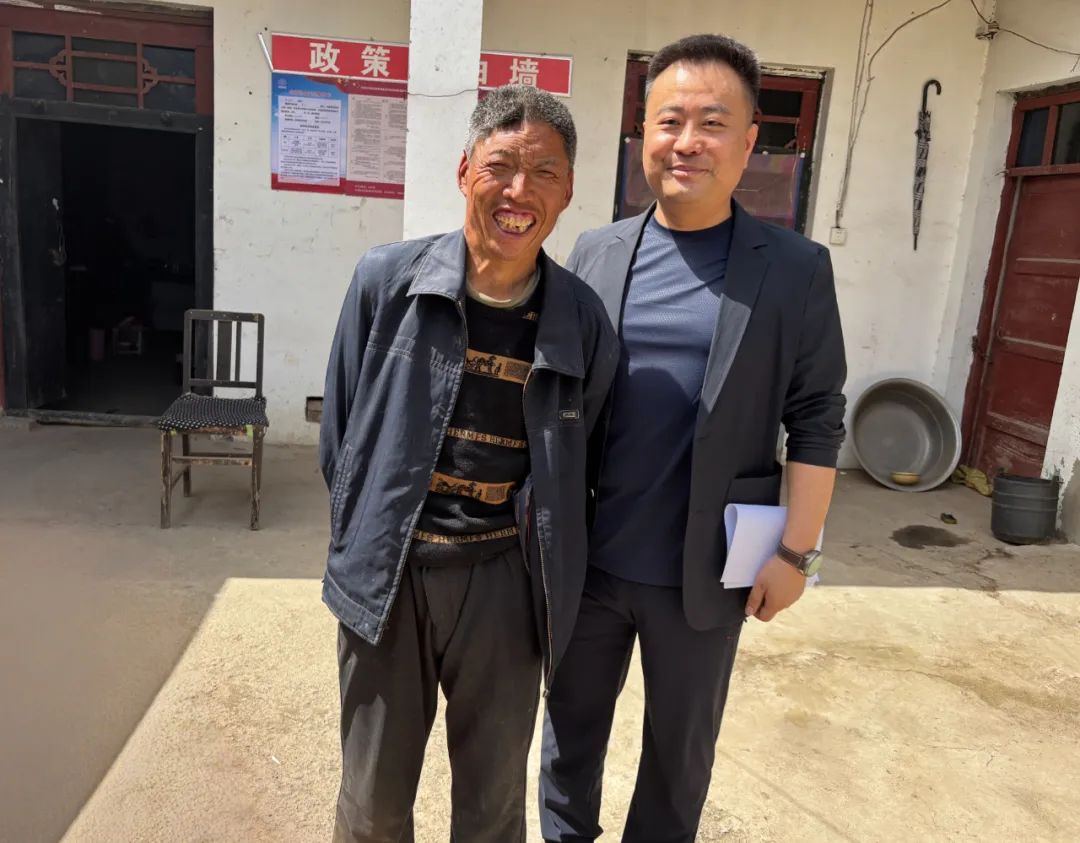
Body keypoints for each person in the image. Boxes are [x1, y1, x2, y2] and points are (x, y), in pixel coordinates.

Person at [539, 34, 847, 842]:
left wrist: (797, 554)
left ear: (749, 142)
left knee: (679, 761)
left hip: (708, 572)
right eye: (669, 121)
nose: (688, 142)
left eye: (713, 123)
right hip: (591, 564)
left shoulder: (795, 269)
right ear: (643, 134)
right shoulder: (596, 252)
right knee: (568, 738)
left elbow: (817, 417)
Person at [319, 84, 619, 843]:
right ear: (463, 172)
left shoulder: (581, 319)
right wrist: (366, 538)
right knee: (372, 804)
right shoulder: (386, 282)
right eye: (500, 166)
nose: (519, 191)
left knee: (491, 808)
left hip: (505, 582)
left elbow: (583, 458)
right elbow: (344, 436)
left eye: (544, 172)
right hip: (391, 572)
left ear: (568, 191)